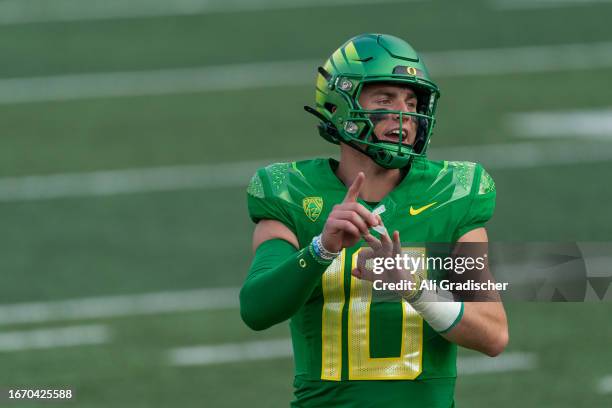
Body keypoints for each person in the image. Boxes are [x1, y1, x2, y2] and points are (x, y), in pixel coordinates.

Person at [240, 33, 508, 407]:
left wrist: (416, 290)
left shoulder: (452, 194)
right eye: (385, 99)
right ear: (341, 105)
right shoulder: (292, 192)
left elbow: (493, 334)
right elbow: (256, 309)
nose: (405, 114)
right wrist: (323, 248)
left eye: (412, 101)